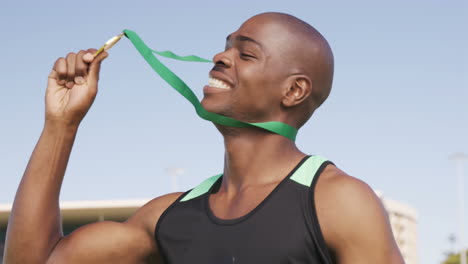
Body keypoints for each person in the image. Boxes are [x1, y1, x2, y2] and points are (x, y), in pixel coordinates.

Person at [4, 12, 405, 264]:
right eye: (225, 47)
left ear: (294, 91)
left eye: (246, 55)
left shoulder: (338, 201)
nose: (221, 57)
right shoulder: (169, 217)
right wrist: (61, 125)